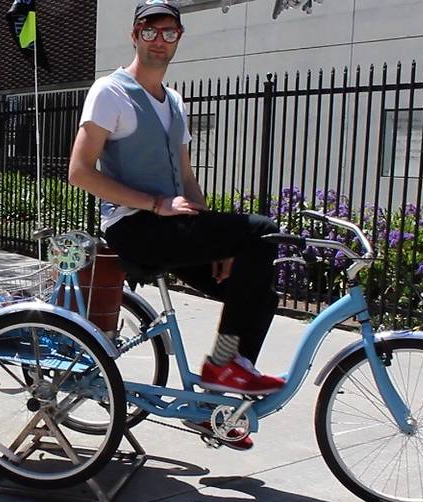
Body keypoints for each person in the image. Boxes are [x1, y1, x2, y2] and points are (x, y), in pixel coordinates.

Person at [68, 0, 284, 449]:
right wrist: (155, 203)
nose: (160, 41)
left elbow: (186, 178)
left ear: (179, 39)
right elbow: (80, 172)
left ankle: (216, 398)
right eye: (151, 31)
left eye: (170, 33)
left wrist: (220, 243)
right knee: (262, 228)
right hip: (136, 229)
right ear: (134, 36)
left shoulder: (175, 103)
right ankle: (228, 369)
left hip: (175, 229)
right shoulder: (110, 92)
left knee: (258, 286)